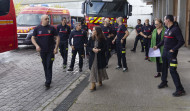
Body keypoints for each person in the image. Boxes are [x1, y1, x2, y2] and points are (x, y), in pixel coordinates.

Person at [153, 15, 185, 97]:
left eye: (164, 19)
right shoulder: (167, 29)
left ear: (168, 20)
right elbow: (163, 40)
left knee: (172, 71)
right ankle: (164, 82)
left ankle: (180, 89)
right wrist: (157, 46)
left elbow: (181, 41)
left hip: (171, 54)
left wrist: (173, 49)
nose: (163, 21)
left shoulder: (176, 29)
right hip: (165, 53)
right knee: (164, 68)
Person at [31, 15, 60, 88]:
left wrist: (56, 48)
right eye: (46, 19)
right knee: (45, 65)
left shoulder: (52, 28)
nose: (48, 20)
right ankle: (47, 78)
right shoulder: (37, 29)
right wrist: (36, 46)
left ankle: (48, 81)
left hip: (51, 51)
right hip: (42, 51)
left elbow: (57, 37)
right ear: (42, 20)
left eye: (48, 19)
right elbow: (32, 38)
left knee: (49, 65)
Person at [87, 26, 108, 91]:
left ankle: (100, 80)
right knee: (93, 69)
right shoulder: (91, 38)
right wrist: (92, 49)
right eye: (92, 30)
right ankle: (93, 85)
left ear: (97, 31)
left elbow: (105, 48)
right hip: (93, 57)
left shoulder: (103, 39)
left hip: (100, 57)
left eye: (94, 30)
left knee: (99, 69)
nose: (92, 31)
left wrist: (99, 50)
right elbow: (88, 47)